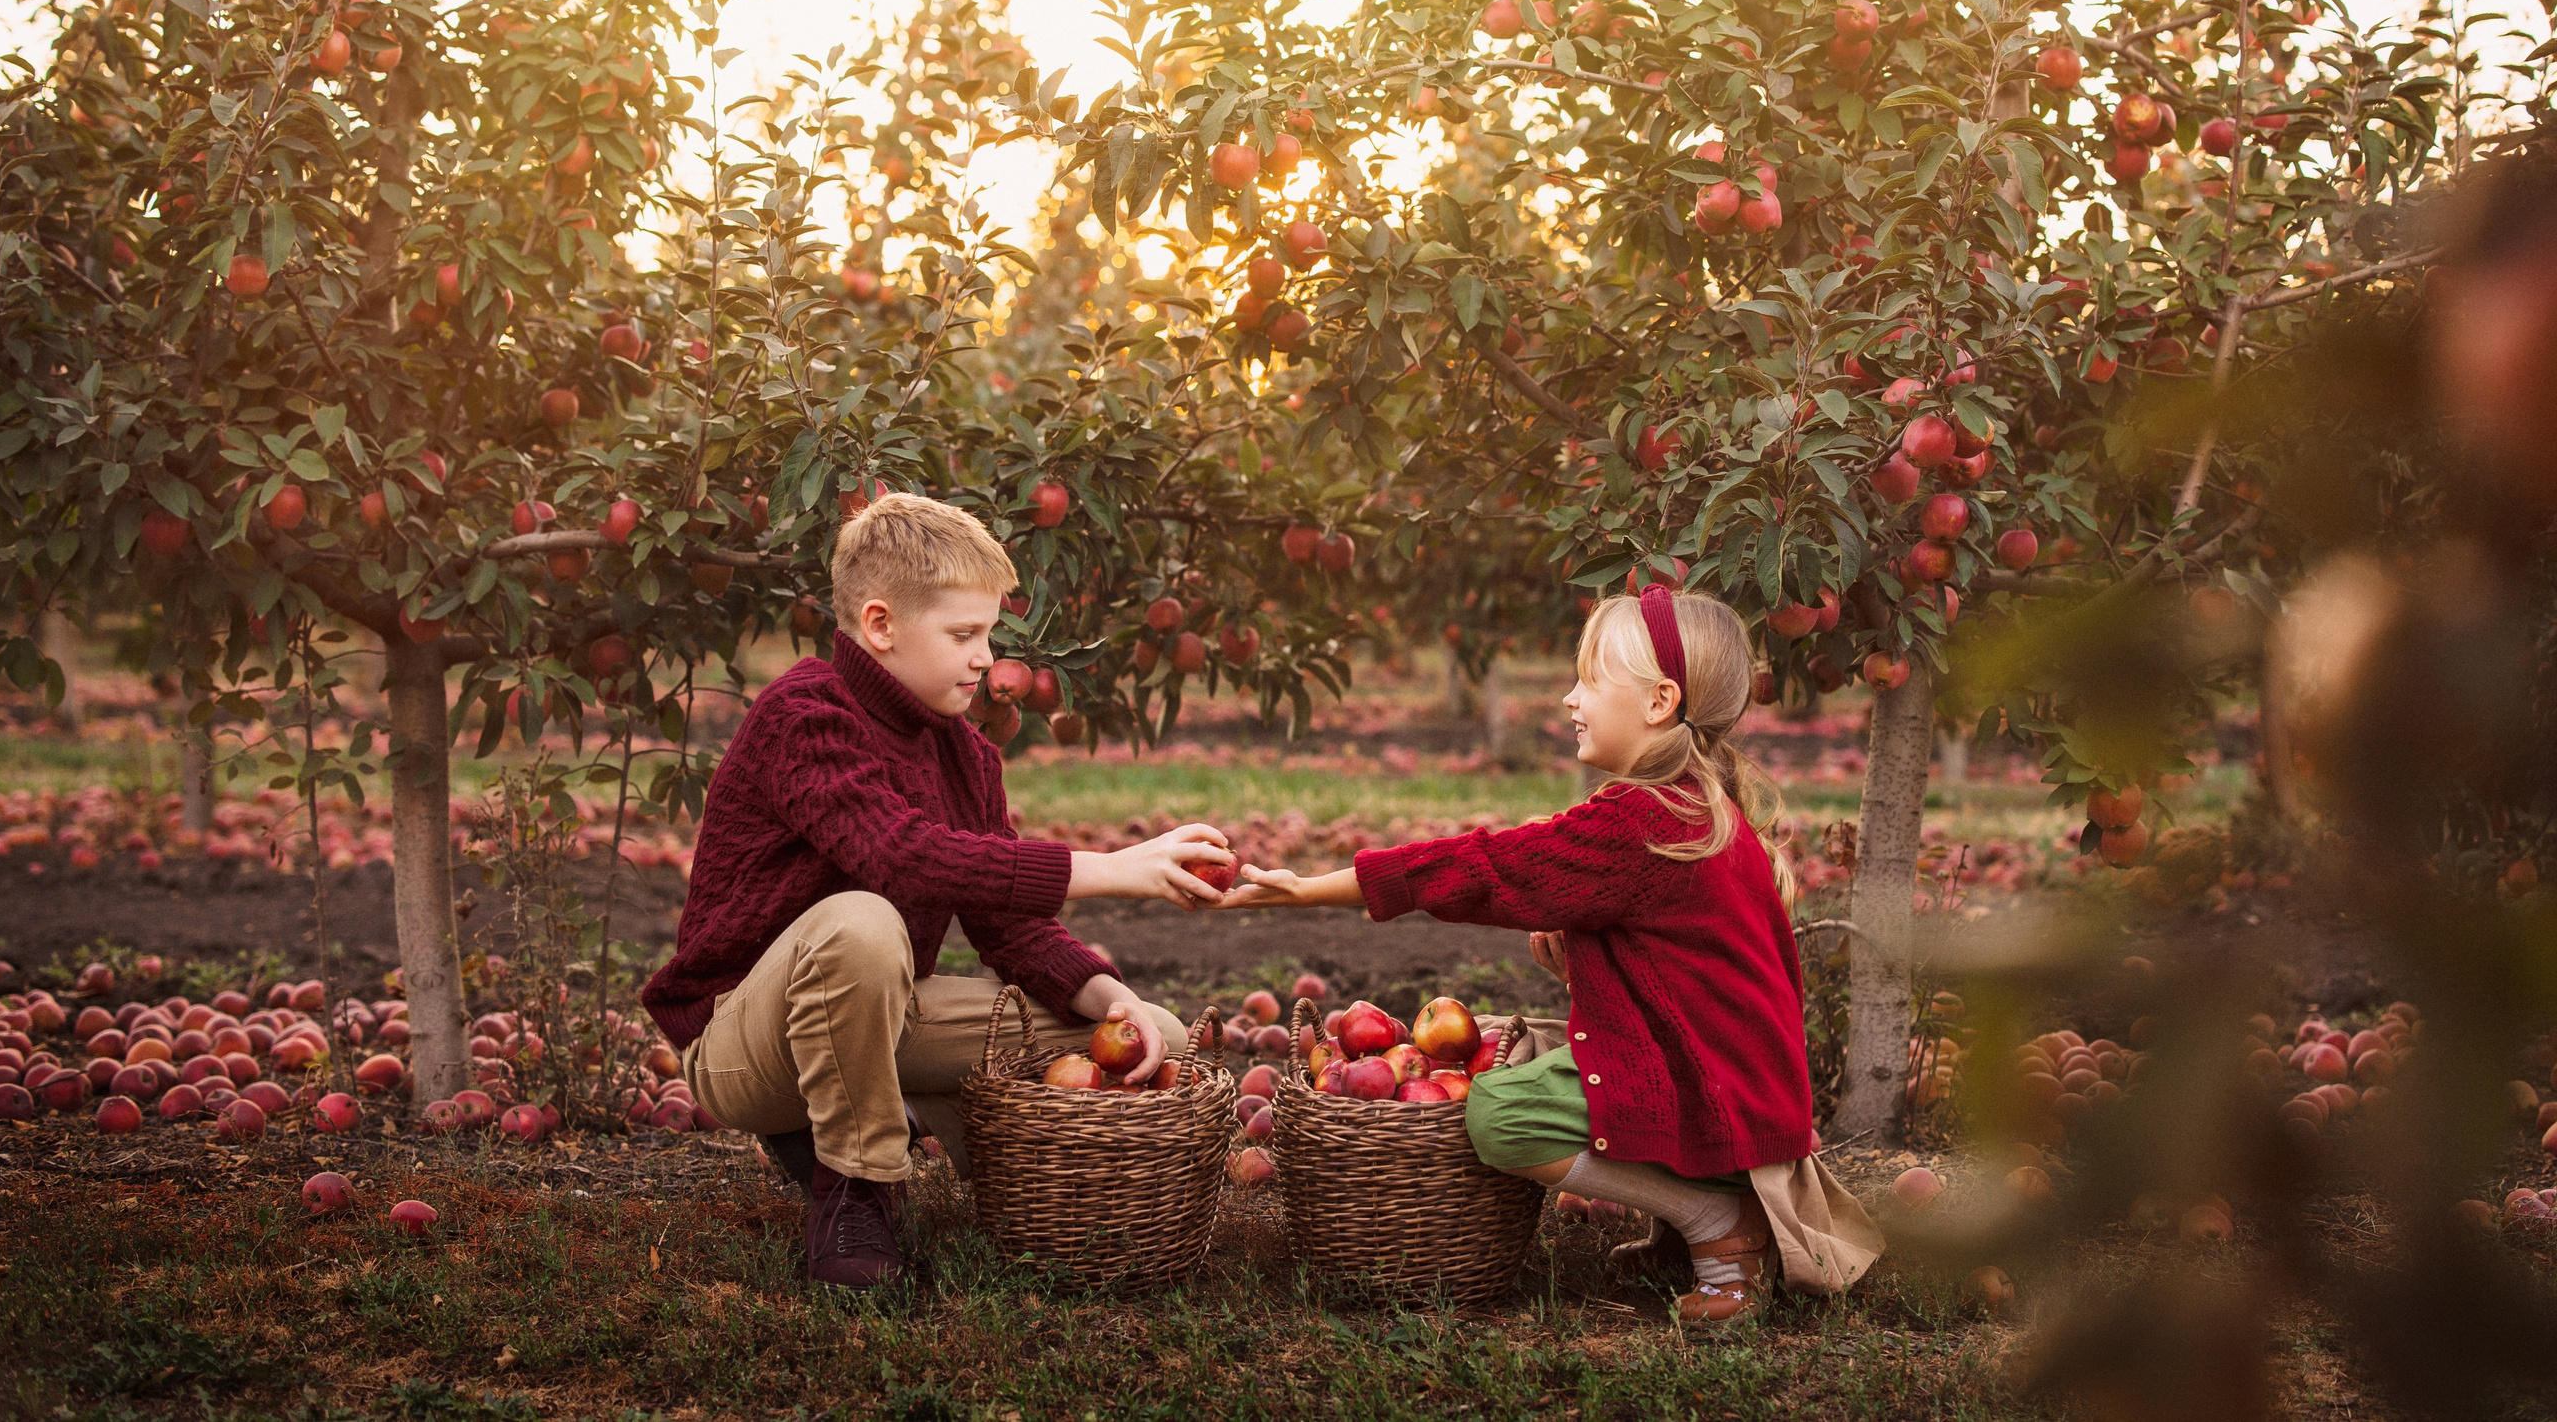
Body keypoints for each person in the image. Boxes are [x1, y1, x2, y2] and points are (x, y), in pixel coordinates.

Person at [1222, 586, 1881, 1323]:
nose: (1570, 698)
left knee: (1503, 1115)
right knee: (1510, 1041)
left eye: (1590, 680)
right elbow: (1685, 976)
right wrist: (1583, 967)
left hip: (1713, 1090)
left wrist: (1309, 889)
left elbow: (1487, 867)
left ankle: (1717, 1221)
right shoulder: (1698, 803)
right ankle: (1697, 1219)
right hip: (1734, 1083)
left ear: (1659, 702)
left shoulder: (1642, 818)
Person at [642, 492, 1231, 1291]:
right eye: (963, 635)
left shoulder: (965, 756)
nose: (985, 658)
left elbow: (1011, 930)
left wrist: (1111, 999)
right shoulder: (805, 714)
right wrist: (1108, 868)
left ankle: (954, 1144)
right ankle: (856, 1186)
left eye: (989, 635)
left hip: (874, 1016)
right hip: (744, 1044)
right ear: (881, 625)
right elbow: (900, 856)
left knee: (1159, 1034)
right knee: (861, 922)